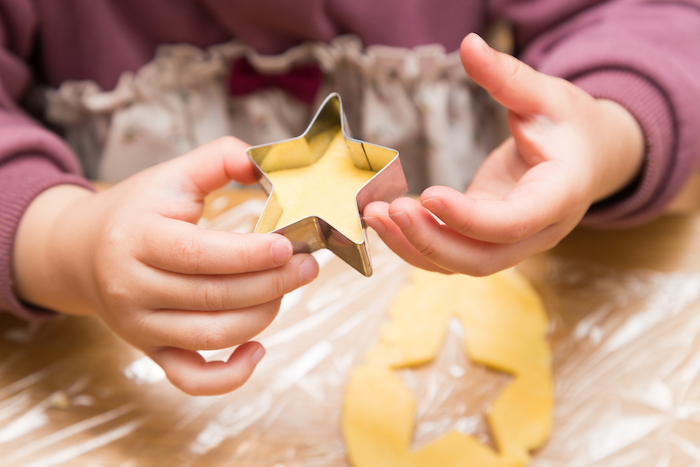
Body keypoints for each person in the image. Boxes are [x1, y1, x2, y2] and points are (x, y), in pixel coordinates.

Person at [1, 0, 699, 396]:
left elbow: (644, 15)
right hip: (130, 374)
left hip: (469, 331)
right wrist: (65, 240)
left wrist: (607, 133)